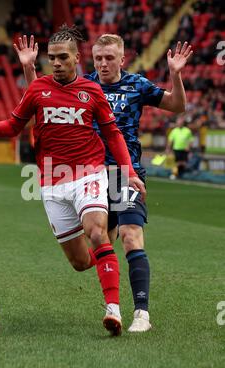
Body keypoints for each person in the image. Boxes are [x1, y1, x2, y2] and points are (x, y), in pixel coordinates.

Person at [0, 25, 146, 337]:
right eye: (52, 58)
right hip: (52, 182)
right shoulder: (37, 91)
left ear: (78, 58)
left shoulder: (92, 92)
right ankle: (110, 235)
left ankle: (113, 310)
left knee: (95, 231)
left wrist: (128, 171)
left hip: (89, 174)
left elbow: (113, 135)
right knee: (80, 262)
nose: (57, 63)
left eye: (63, 57)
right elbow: (12, 126)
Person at [16, 32, 193, 332]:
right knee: (85, 260)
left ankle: (141, 314)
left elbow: (177, 106)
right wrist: (29, 68)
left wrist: (175, 75)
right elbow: (40, 97)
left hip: (124, 174)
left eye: (109, 58)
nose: (103, 64)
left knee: (130, 234)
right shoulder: (84, 84)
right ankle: (113, 290)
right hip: (88, 175)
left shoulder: (137, 85)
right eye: (98, 58)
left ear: (122, 59)